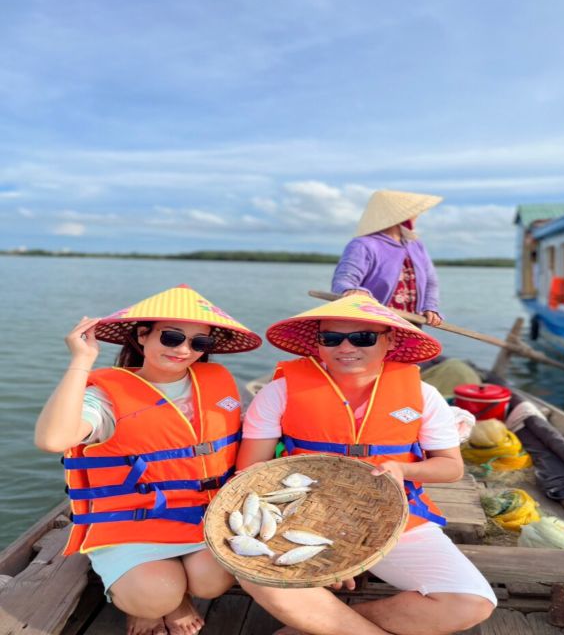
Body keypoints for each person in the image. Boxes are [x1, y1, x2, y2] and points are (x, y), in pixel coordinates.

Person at [237, 295, 496, 635]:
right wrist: (328, 542)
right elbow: (250, 473)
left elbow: (450, 467)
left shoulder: (423, 394)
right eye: (331, 338)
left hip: (393, 516)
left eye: (362, 337)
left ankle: (313, 626)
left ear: (389, 340)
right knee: (253, 576)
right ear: (317, 343)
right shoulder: (279, 392)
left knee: (472, 602)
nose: (346, 347)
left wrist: (406, 470)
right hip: (304, 515)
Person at [34, 284, 262, 635]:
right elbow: (52, 439)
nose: (185, 349)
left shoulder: (217, 382)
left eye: (199, 343)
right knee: (158, 596)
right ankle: (152, 600)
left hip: (201, 516)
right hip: (131, 524)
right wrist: (81, 361)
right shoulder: (107, 396)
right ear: (142, 335)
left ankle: (173, 588)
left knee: (213, 583)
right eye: (172, 337)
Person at [332, 189, 444, 326]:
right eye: (414, 212)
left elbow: (431, 282)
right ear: (402, 216)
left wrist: (430, 307)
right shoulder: (363, 245)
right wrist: (352, 291)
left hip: (411, 325)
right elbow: (343, 281)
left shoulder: (415, 245)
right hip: (373, 325)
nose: (417, 216)